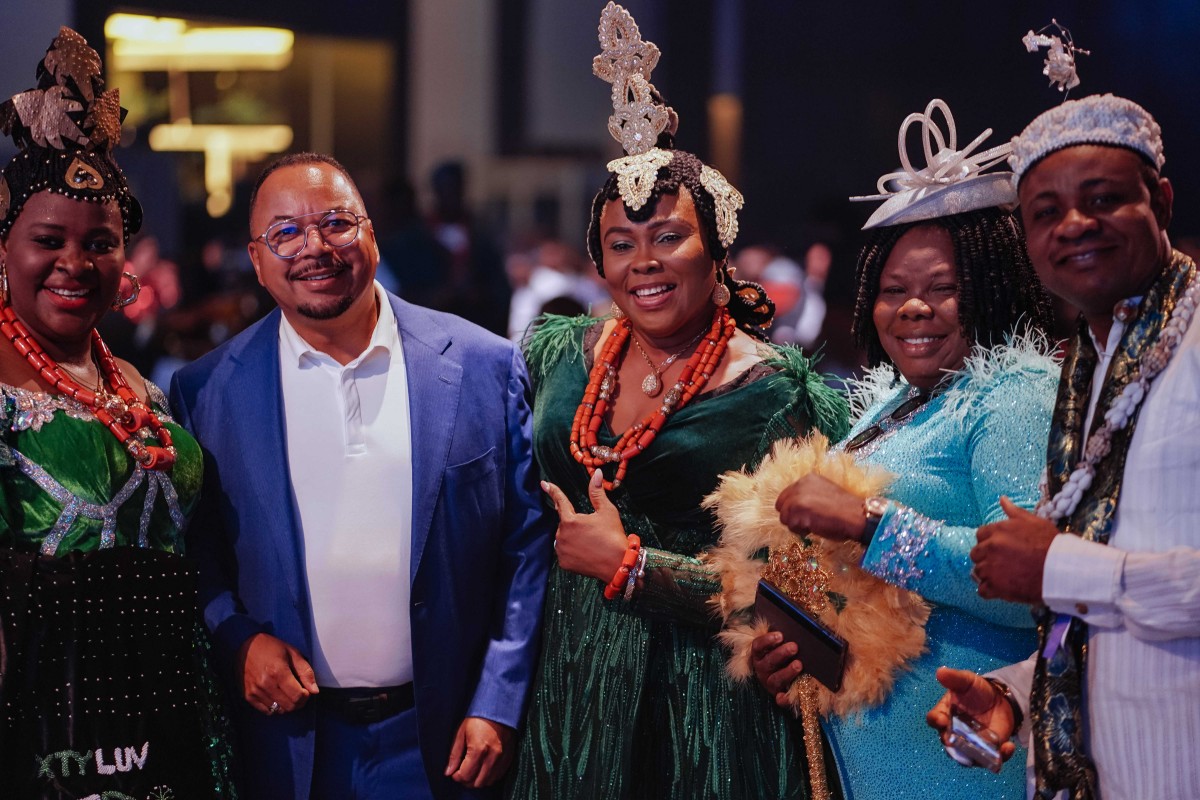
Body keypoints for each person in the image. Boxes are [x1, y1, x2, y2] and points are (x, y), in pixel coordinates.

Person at [506, 6, 850, 799]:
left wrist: (637, 568)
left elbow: (805, 597)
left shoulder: (775, 394)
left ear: (716, 251)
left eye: (669, 238)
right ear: (598, 262)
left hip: (705, 715)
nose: (644, 263)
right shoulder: (560, 357)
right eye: (621, 245)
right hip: (570, 693)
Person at [169, 151, 553, 799]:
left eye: (336, 223)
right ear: (256, 260)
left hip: (446, 738)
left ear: (372, 233)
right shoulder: (207, 391)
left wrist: (499, 699)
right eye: (285, 232)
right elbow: (194, 550)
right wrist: (235, 640)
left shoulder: (483, 366)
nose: (314, 248)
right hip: (289, 743)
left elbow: (526, 544)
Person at [745, 99, 1059, 799]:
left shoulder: (1011, 396)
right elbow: (860, 589)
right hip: (874, 757)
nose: (914, 307)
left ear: (992, 289)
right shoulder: (895, 401)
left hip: (963, 757)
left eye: (944, 289)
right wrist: (794, 646)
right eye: (895, 291)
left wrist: (869, 525)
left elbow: (1031, 588)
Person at [928, 94, 1200, 800]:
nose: (1074, 224)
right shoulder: (1087, 370)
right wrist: (1017, 693)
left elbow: (1083, 579)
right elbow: (1103, 622)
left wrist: (1059, 567)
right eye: (1046, 212)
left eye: (1103, 199)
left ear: (1161, 202)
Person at [0, 29, 237, 799]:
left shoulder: (136, 384)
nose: (75, 263)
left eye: (100, 243)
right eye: (48, 240)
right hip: (52, 739)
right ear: (3, 252)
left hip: (172, 715)